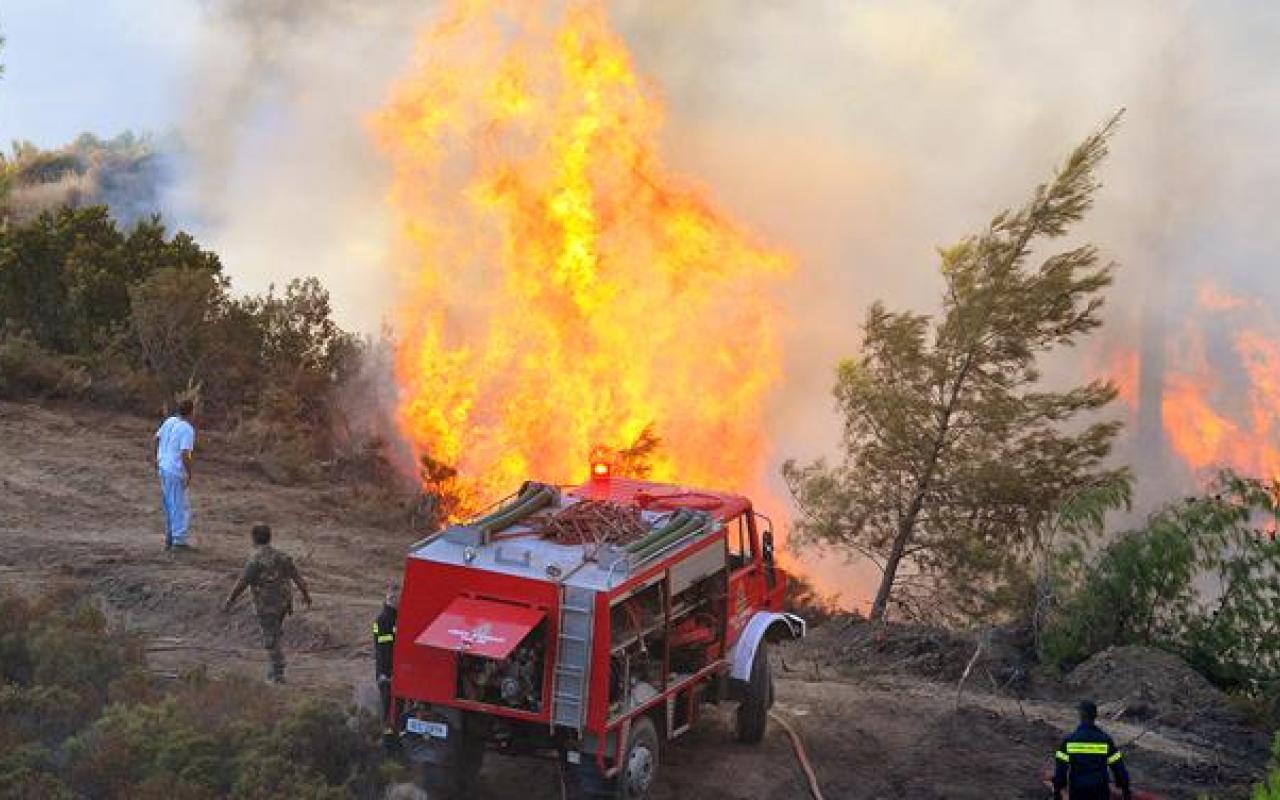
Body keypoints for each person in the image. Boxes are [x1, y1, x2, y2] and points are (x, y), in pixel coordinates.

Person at [222, 524, 312, 683]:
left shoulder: (255, 560)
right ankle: (276, 668)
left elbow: (242, 582)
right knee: (275, 632)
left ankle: (277, 674)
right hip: (284, 602)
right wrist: (306, 595)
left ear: (254, 539)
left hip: (267, 604)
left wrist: (230, 600)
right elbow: (297, 577)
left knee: (271, 638)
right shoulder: (282, 556)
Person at [1053, 700, 1133, 800]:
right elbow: (1118, 767)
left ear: (1080, 716)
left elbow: (1061, 768)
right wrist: (1125, 789)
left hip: (1078, 790)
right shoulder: (1105, 740)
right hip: (1099, 789)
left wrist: (1058, 790)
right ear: (1095, 716)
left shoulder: (1070, 740)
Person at [154, 398, 197, 551]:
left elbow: (157, 439)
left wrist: (157, 458)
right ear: (191, 412)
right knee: (180, 505)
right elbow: (185, 453)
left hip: (163, 466)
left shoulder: (170, 421)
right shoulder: (187, 429)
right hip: (174, 469)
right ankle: (178, 540)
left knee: (170, 503)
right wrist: (189, 472)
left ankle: (171, 536)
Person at [373, 581, 399, 745]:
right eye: (394, 597)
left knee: (396, 708)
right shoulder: (384, 620)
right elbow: (383, 650)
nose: (397, 600)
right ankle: (387, 742)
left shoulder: (396, 617)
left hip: (397, 670)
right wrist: (384, 673)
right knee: (388, 706)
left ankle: (393, 737)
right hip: (387, 672)